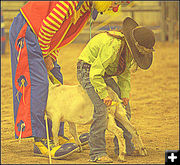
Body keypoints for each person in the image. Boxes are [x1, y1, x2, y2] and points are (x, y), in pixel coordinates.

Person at [9, 1, 120, 159]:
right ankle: (41, 141)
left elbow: (60, 35)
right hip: (29, 31)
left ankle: (56, 134)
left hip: (41, 36)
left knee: (57, 77)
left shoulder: (87, 6)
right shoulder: (71, 2)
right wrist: (46, 55)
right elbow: (48, 27)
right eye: (114, 1)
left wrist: (51, 56)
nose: (115, 5)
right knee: (38, 84)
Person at [76, 17, 155, 163]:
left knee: (124, 108)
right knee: (101, 109)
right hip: (87, 71)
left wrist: (124, 95)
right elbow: (95, 73)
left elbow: (124, 74)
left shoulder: (127, 50)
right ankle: (97, 152)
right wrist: (103, 94)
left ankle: (126, 147)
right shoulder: (113, 45)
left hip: (103, 73)